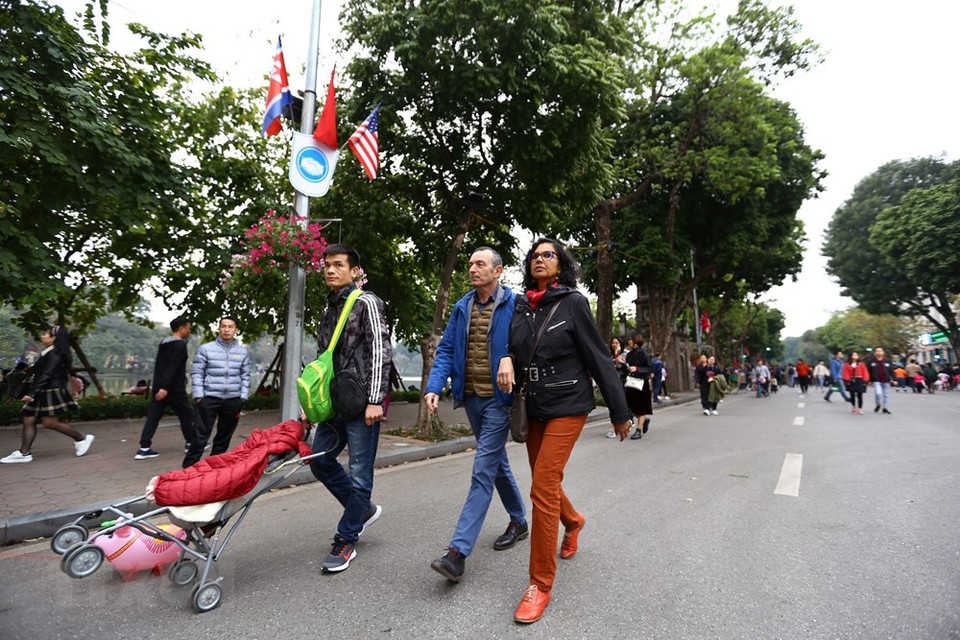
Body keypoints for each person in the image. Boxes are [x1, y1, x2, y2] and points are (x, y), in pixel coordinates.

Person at [497, 238, 632, 624]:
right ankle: (573, 521)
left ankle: (539, 584)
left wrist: (619, 411)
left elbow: (598, 357)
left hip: (568, 404)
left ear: (561, 264)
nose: (539, 260)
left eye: (548, 255)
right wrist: (505, 356)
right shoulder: (521, 306)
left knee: (542, 487)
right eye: (534, 256)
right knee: (546, 481)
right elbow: (513, 347)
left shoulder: (573, 302)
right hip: (534, 406)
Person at [424, 247, 528, 583]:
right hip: (471, 398)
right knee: (496, 464)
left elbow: (526, 345)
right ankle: (519, 521)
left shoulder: (515, 304)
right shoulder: (462, 306)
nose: (472, 268)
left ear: (498, 271)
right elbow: (446, 350)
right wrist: (434, 386)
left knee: (483, 469)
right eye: (470, 264)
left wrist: (510, 357)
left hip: (500, 401)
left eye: (480, 264)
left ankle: (457, 553)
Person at [308, 244, 392, 573]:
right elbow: (324, 360)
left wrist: (375, 400)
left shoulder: (366, 302)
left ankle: (346, 538)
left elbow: (381, 351)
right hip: (334, 404)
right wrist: (312, 404)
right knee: (319, 460)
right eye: (327, 265)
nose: (330, 270)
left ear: (354, 271)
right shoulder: (330, 307)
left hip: (361, 403)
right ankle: (363, 511)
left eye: (338, 265)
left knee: (359, 474)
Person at [2, 326, 94, 463]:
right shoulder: (50, 352)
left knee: (49, 422)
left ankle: (82, 438)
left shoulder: (55, 353)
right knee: (28, 418)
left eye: (45, 333)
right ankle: (24, 453)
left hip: (50, 390)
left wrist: (32, 393)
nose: (42, 335)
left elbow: (46, 374)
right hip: (44, 390)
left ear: (53, 338)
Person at [135, 316, 204, 466]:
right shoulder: (179, 345)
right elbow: (172, 367)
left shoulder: (164, 343)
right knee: (187, 415)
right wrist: (165, 388)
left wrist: (159, 387)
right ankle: (191, 444)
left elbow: (161, 367)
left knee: (153, 417)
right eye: (188, 327)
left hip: (159, 386)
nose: (189, 331)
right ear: (182, 328)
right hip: (173, 388)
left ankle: (144, 448)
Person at [191, 315, 251, 455]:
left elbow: (245, 375)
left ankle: (215, 465)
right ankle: (190, 466)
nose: (226, 330)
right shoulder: (206, 349)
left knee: (224, 438)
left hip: (233, 400)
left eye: (230, 327)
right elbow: (197, 373)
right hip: (209, 398)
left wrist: (242, 397)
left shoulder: (242, 352)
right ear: (219, 329)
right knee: (199, 437)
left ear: (236, 330)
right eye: (223, 326)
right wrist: (199, 396)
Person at [625, 334, 653, 439]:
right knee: (631, 407)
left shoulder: (644, 354)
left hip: (641, 384)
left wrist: (637, 369)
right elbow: (628, 367)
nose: (629, 342)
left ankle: (638, 430)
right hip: (631, 383)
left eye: (631, 340)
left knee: (641, 408)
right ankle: (644, 420)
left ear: (635, 342)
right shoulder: (629, 354)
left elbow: (649, 368)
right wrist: (625, 365)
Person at [606, 337, 629, 438]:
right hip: (611, 381)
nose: (615, 344)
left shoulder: (625, 354)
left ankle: (615, 427)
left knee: (620, 403)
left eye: (617, 342)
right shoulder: (609, 355)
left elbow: (629, 367)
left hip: (622, 381)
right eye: (613, 343)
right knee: (614, 403)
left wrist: (623, 362)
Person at [865, 347, 893, 414]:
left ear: (883, 352)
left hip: (886, 380)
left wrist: (894, 379)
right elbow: (868, 371)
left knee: (886, 395)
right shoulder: (871, 361)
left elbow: (891, 371)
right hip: (876, 380)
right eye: (877, 351)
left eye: (880, 351)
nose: (879, 352)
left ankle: (885, 408)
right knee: (878, 393)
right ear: (874, 353)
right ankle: (878, 404)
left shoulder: (887, 361)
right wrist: (868, 380)